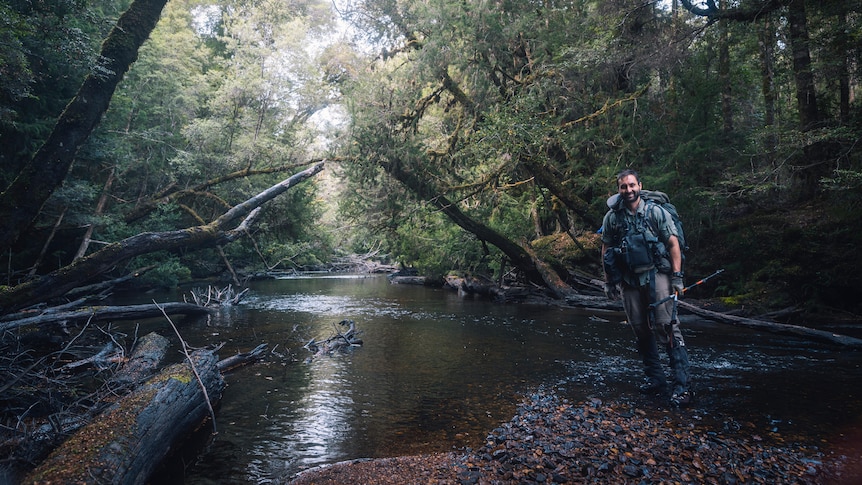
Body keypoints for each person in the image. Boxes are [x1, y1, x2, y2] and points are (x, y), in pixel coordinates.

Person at [600, 169, 692, 406]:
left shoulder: (656, 212)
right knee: (640, 329)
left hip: (657, 275)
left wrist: (677, 277)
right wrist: (609, 281)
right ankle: (655, 379)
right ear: (618, 190)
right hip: (628, 281)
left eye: (632, 185)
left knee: (667, 326)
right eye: (623, 187)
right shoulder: (612, 217)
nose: (628, 190)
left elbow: (673, 244)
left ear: (639, 185)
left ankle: (682, 386)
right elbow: (606, 250)